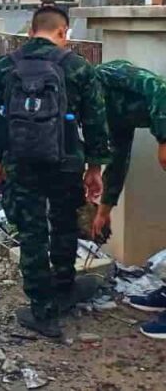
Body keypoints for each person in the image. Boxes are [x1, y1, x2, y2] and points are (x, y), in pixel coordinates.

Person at [0, 4, 110, 337]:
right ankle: (65, 288)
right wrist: (94, 167)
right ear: (63, 32)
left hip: (19, 161)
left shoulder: (5, 67)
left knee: (31, 232)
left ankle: (42, 310)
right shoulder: (79, 68)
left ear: (30, 31)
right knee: (64, 223)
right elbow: (95, 122)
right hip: (66, 161)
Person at [89, 59, 166, 339]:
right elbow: (119, 158)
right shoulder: (104, 114)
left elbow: (159, 88)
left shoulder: (110, 74)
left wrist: (164, 140)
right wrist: (104, 210)